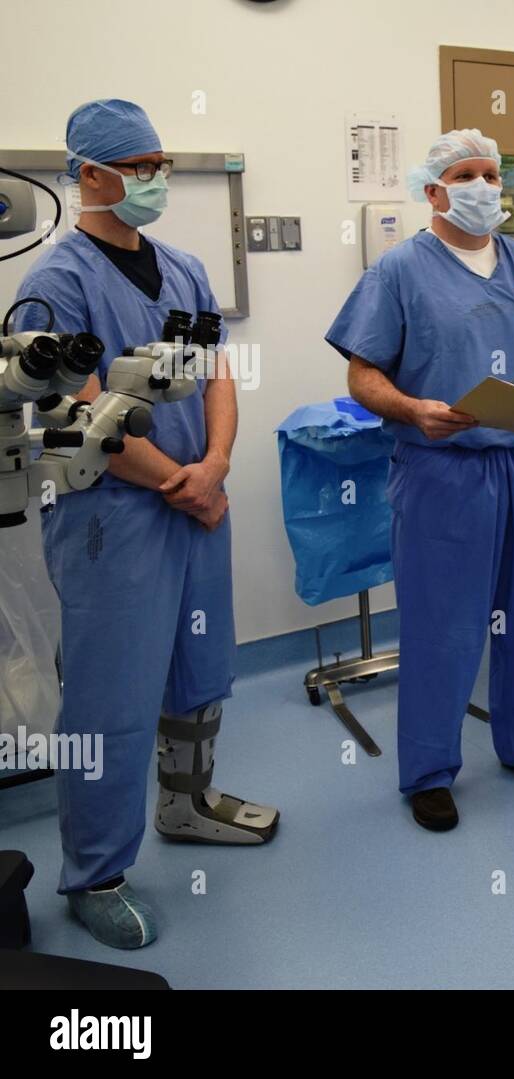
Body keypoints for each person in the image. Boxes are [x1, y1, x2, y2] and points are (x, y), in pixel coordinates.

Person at [14, 99, 278, 950]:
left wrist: (217, 465)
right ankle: (93, 871)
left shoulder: (187, 269)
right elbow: (72, 411)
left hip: (197, 500)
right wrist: (180, 480)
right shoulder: (56, 284)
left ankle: (187, 804)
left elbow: (219, 377)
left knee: (199, 669)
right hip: (113, 516)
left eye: (164, 163)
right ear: (91, 174)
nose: (158, 179)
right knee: (111, 700)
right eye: (145, 165)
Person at [326, 129, 514, 833]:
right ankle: (429, 770)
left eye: (493, 174)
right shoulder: (399, 271)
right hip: (440, 470)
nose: (485, 186)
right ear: (433, 190)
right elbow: (362, 373)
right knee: (443, 626)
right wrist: (410, 408)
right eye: (467, 173)